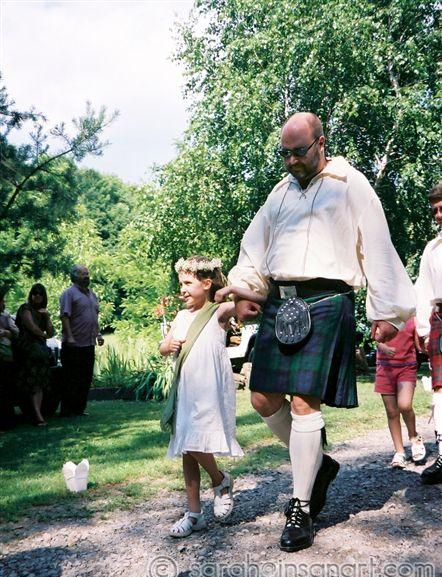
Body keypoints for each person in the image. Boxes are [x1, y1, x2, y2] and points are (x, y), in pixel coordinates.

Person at [228, 112, 416, 552]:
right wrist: (244, 291)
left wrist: (386, 312)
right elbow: (253, 249)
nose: (292, 160)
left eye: (299, 151)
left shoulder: (350, 184)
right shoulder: (279, 194)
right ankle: (319, 464)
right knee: (262, 398)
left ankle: (301, 507)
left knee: (303, 402)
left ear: (321, 142)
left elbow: (377, 246)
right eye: (285, 154)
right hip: (281, 301)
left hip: (328, 300)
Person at [159, 256, 243, 538]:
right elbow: (163, 347)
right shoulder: (181, 317)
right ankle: (195, 512)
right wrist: (168, 345)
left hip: (208, 390)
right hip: (186, 390)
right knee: (187, 447)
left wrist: (230, 290)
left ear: (206, 284)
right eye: (180, 283)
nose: (182, 289)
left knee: (192, 441)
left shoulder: (218, 312)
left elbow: (245, 304)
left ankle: (219, 481)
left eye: (187, 283)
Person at [415, 181, 442, 484]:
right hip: (440, 319)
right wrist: (423, 329)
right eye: (434, 210)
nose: (438, 215)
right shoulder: (432, 250)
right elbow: (422, 290)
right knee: (440, 390)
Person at [374, 318, 426, 468]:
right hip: (385, 368)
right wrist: (382, 347)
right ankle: (399, 452)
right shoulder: (380, 316)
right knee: (391, 412)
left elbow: (419, 345)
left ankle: (414, 437)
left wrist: (428, 346)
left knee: (404, 405)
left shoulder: (412, 318)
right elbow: (376, 339)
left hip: (407, 367)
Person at [59, 265, 104, 417]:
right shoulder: (69, 294)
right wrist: (69, 336)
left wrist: (98, 335)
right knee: (71, 378)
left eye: (87, 273)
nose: (86, 276)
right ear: (74, 276)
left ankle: (79, 409)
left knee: (85, 378)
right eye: (82, 274)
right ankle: (67, 411)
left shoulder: (92, 294)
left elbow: (94, 317)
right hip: (73, 344)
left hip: (88, 342)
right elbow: (65, 316)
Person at [15, 283, 54, 426]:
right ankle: (37, 416)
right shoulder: (25, 308)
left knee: (39, 385)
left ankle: (38, 415)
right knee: (33, 384)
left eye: (40, 293)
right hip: (28, 350)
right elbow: (31, 327)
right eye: (34, 293)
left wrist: (47, 317)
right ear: (30, 295)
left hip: (40, 351)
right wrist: (43, 335)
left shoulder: (43, 312)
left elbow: (51, 333)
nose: (37, 296)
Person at [0, 288, 19, 430]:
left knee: (6, 388)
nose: (3, 303)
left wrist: (7, 333)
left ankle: (8, 420)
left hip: (6, 355)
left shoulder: (6, 316)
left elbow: (16, 332)